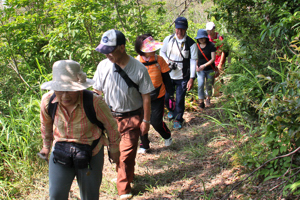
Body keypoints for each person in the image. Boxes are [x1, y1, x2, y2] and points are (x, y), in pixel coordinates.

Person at [39, 60, 121, 200]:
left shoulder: (94, 102)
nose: (65, 96)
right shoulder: (48, 101)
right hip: (61, 150)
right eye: (60, 90)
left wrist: (114, 150)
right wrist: (46, 147)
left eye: (70, 91)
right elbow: (46, 126)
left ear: (79, 88)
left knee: (90, 196)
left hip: (91, 151)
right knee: (56, 194)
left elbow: (111, 126)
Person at [93, 29, 154, 199]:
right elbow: (97, 92)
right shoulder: (103, 66)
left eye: (110, 51)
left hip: (132, 116)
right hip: (110, 118)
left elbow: (146, 96)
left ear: (121, 47)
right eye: (104, 51)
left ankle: (124, 190)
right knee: (117, 151)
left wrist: (146, 120)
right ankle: (125, 175)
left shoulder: (139, 68)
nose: (107, 55)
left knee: (126, 153)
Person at [134, 34, 174, 154]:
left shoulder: (159, 60)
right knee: (141, 120)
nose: (153, 51)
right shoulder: (136, 62)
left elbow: (167, 78)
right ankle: (144, 145)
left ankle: (167, 136)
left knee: (156, 121)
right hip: (141, 96)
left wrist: (171, 95)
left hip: (158, 95)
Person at [159, 16, 198, 129]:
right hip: (169, 74)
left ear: (186, 29)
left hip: (183, 76)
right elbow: (162, 52)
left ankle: (178, 119)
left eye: (182, 29)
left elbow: (192, 61)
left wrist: (191, 78)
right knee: (166, 97)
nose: (179, 31)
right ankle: (171, 110)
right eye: (178, 29)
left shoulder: (191, 43)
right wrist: (167, 61)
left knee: (180, 99)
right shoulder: (168, 39)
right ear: (175, 28)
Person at [195, 29, 216, 108]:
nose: (201, 39)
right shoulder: (197, 46)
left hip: (210, 68)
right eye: (199, 38)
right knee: (200, 84)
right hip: (200, 69)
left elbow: (213, 59)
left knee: (209, 84)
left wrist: (204, 65)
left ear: (206, 38)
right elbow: (196, 57)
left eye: (202, 38)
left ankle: (208, 98)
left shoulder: (211, 45)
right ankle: (201, 101)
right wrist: (196, 66)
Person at [206, 22, 227, 96]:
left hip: (219, 60)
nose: (210, 31)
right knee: (209, 78)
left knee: (217, 77)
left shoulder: (219, 37)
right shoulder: (206, 38)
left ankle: (217, 94)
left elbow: (223, 51)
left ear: (214, 29)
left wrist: (221, 63)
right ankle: (210, 94)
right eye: (208, 30)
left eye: (211, 30)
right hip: (210, 61)